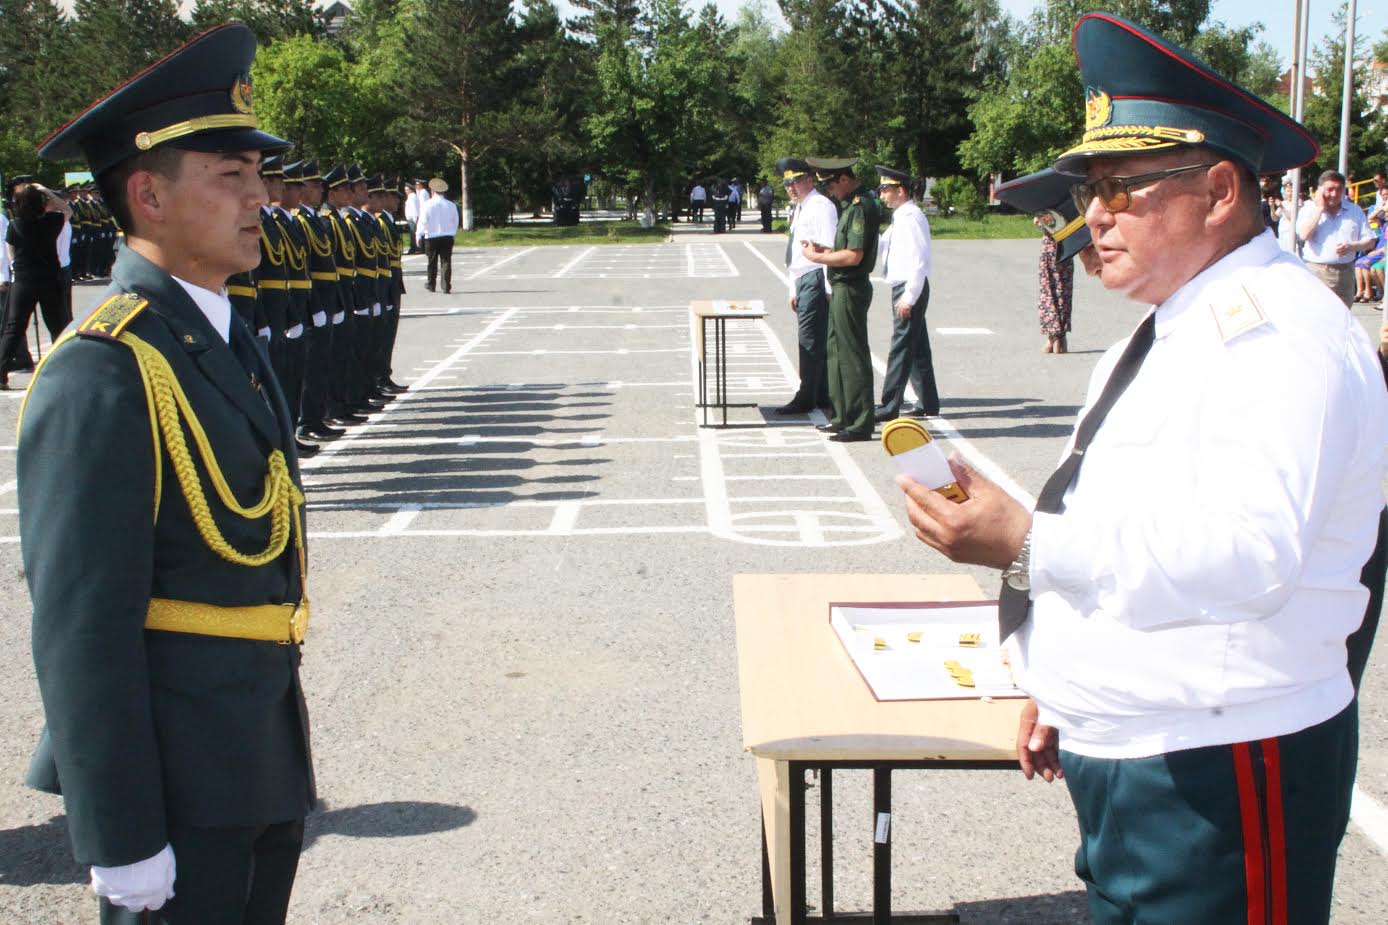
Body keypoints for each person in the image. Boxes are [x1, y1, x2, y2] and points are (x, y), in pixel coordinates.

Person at [897, 14, 1387, 925]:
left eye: (1123, 187)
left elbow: (1248, 556)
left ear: (1220, 188)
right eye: (1092, 189)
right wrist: (1063, 677)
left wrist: (1027, 543)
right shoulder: (1181, 324)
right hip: (1144, 760)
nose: (1094, 215)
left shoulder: (1275, 335)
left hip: (1222, 774)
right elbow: (1132, 514)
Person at [19, 23, 315, 924]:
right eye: (231, 177)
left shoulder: (220, 331)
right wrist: (121, 835)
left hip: (254, 756)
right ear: (147, 194)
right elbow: (81, 625)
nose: (258, 197)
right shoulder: (103, 366)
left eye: (257, 175)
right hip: (176, 786)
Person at [803, 157, 881, 442]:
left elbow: (853, 256)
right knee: (836, 352)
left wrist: (818, 257)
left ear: (845, 179)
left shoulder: (860, 207)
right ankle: (842, 416)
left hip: (851, 286)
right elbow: (845, 249)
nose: (829, 191)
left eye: (831, 184)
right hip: (841, 286)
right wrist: (825, 250)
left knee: (852, 355)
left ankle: (860, 422)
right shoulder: (849, 207)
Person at [996, 168, 1103, 356]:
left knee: (1051, 293)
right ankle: (1058, 338)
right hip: (1064, 251)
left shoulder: (1052, 207)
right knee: (1061, 292)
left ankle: (1053, 338)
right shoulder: (1067, 206)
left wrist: (1041, 220)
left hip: (1053, 250)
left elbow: (1043, 224)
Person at [772, 157, 837, 415]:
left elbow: (827, 247)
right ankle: (820, 392)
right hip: (802, 278)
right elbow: (795, 253)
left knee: (810, 339)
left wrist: (828, 288)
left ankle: (807, 395)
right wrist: (792, 288)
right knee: (813, 338)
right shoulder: (801, 207)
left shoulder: (820, 205)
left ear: (809, 180)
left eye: (796, 182)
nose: (791, 187)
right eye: (787, 183)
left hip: (815, 277)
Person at [874, 165, 938, 420]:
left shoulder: (911, 218)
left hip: (910, 286)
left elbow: (920, 260)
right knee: (917, 347)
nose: (882, 195)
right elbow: (881, 245)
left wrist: (909, 297)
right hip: (904, 285)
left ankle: (889, 406)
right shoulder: (901, 216)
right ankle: (929, 402)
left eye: (885, 190)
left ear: (900, 190)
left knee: (900, 348)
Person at [0, 182, 71, 389]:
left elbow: (11, 253)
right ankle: (66, 369)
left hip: (24, 279)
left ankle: (1, 373)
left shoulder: (15, 225)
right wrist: (45, 190)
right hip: (49, 278)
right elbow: (67, 209)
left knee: (14, 327)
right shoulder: (52, 221)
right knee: (58, 325)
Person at [1297, 169, 1373, 306]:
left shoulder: (1354, 210)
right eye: (1330, 189)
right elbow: (1304, 235)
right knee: (1319, 316)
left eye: (1339, 189)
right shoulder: (1309, 209)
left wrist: (1351, 246)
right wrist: (1320, 209)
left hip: (1345, 273)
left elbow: (1370, 241)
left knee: (1343, 319)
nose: (1334, 194)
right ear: (1320, 190)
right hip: (1318, 271)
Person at [418, 176, 458, 293]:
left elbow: (423, 221)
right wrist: (451, 232)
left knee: (432, 262)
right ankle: (446, 286)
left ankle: (431, 284)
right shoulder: (451, 205)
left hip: (431, 237)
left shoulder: (427, 204)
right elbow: (455, 221)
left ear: (432, 191)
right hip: (447, 236)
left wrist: (418, 234)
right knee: (446, 261)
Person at [404, 177, 423, 253]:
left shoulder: (412, 197)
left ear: (410, 190)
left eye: (406, 190)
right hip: (411, 218)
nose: (405, 192)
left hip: (413, 219)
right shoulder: (411, 197)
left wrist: (415, 220)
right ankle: (414, 248)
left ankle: (414, 248)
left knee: (413, 234)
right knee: (412, 234)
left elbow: (414, 209)